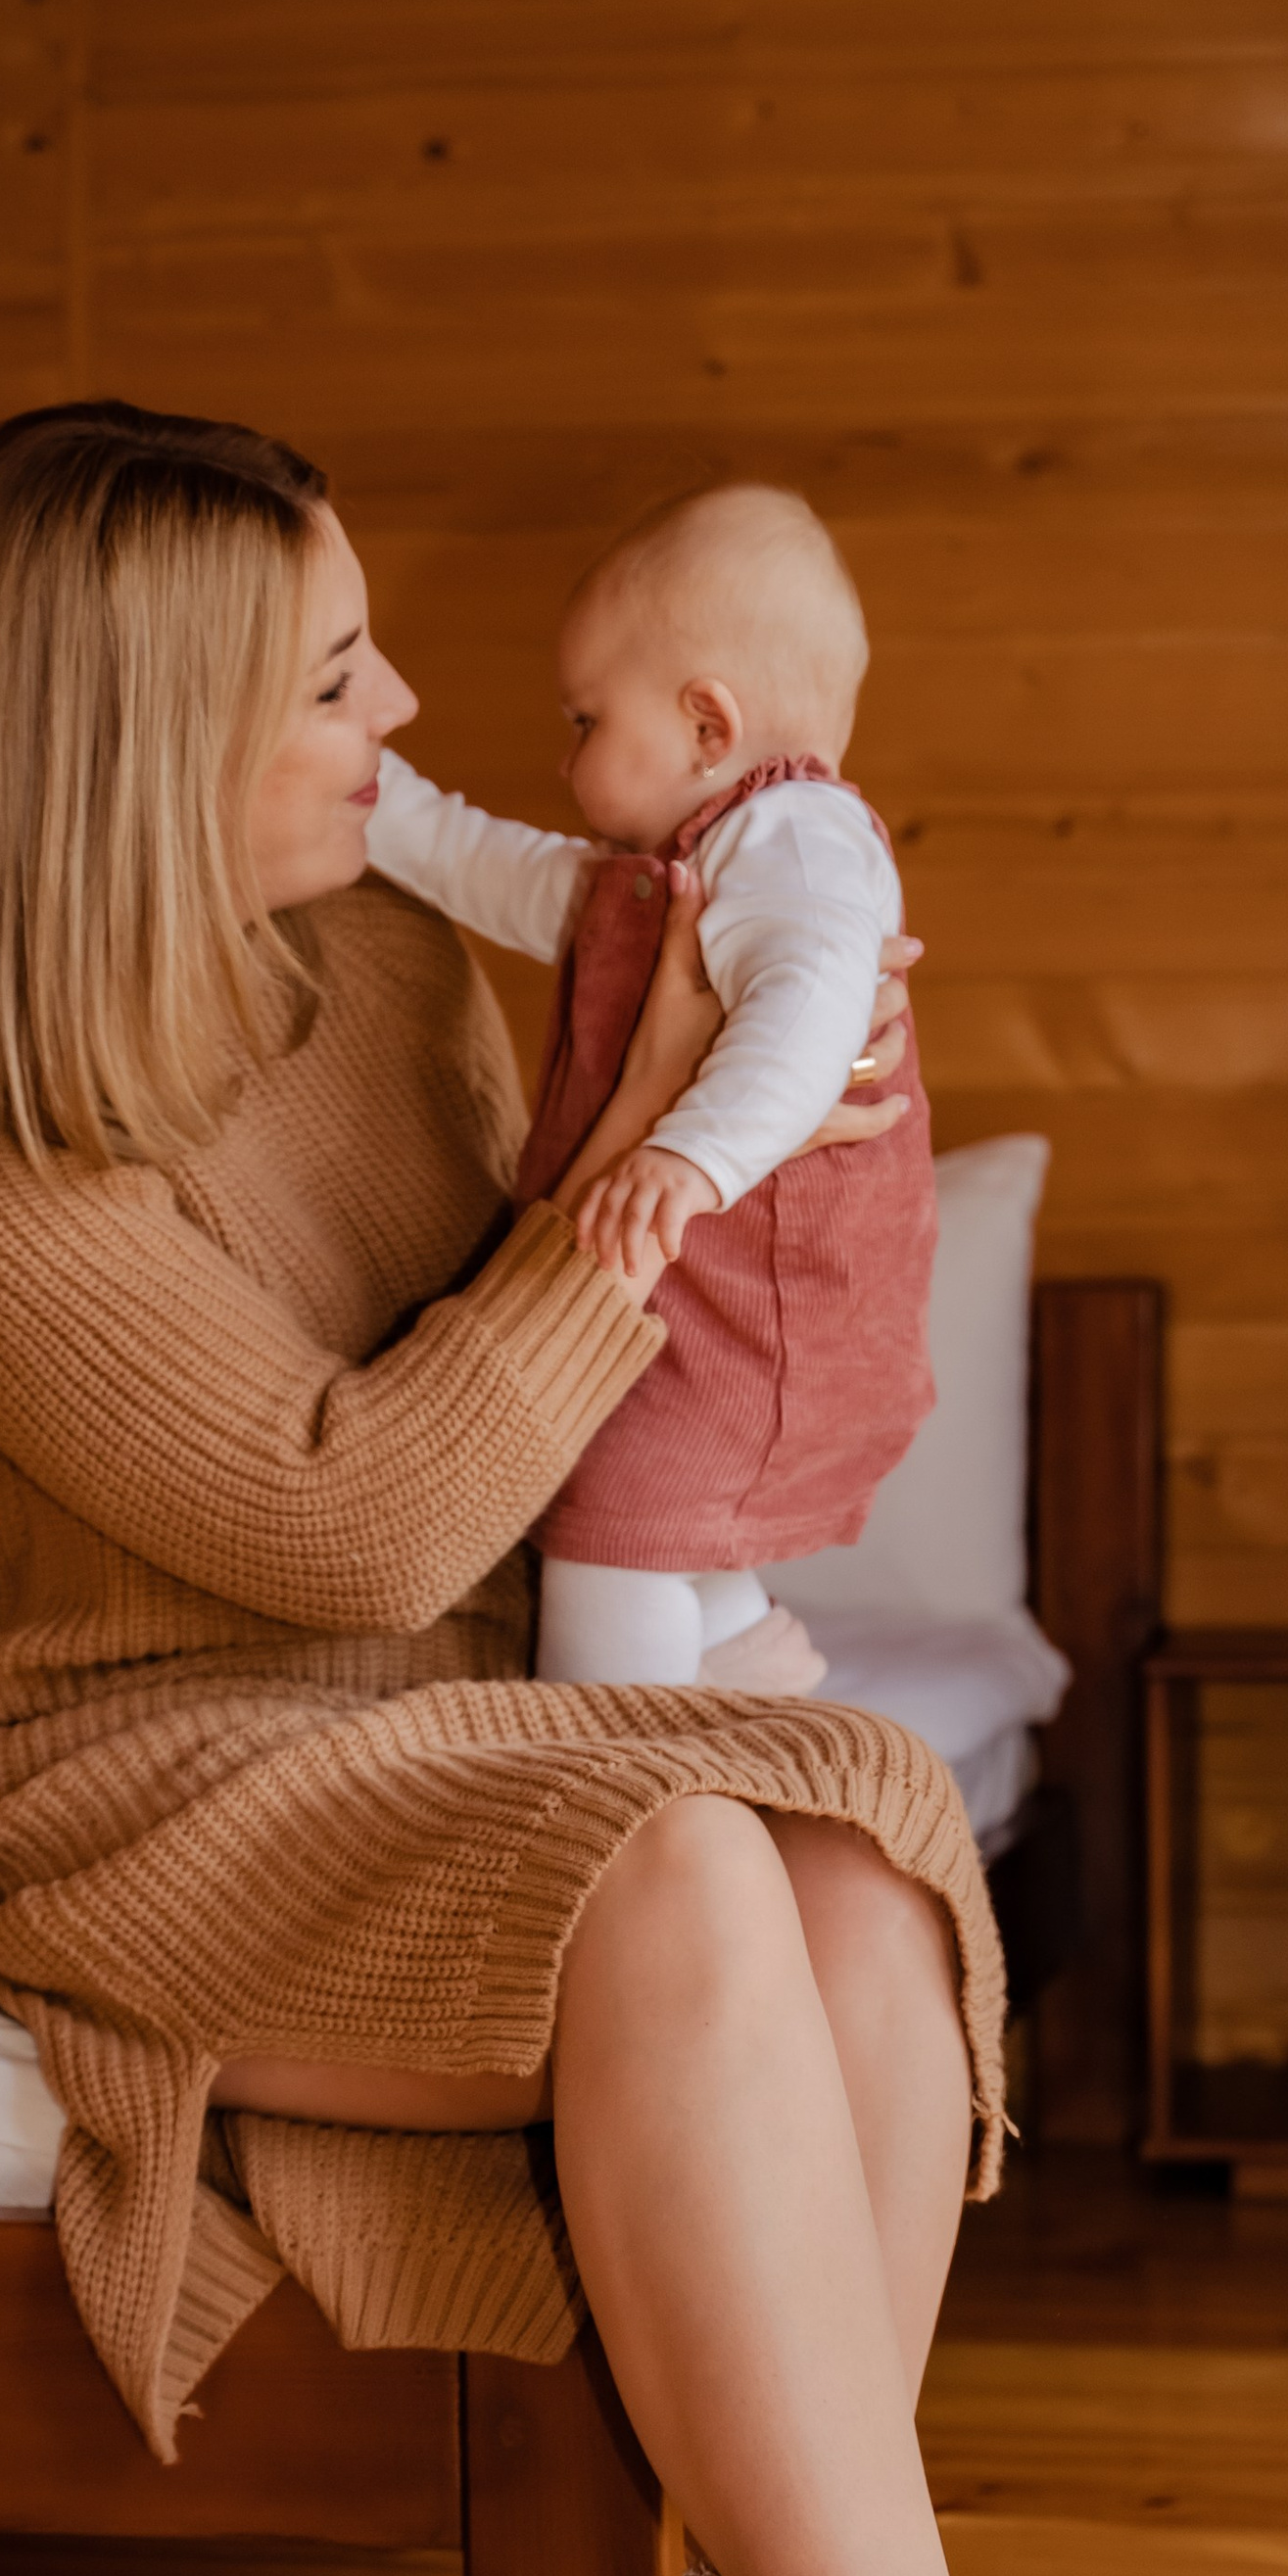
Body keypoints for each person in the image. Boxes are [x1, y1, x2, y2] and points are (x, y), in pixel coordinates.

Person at [0, 399, 1178, 2576]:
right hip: (161, 1786)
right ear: (141, 733)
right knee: (673, 1864)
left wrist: (770, 1124)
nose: (407, 711)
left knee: (862, 1831)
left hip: (470, 1729)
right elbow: (359, 1515)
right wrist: (633, 1170)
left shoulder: (398, 970)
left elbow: (606, 1401)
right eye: (334, 670)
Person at [362, 483, 935, 1692]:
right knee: (655, 1519)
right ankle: (737, 1666)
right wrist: (377, 800)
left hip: (745, 1313)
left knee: (608, 1543)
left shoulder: (796, 845)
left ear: (705, 726)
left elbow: (815, 1005)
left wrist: (695, 1156)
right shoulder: (671, 873)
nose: (560, 751)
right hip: (676, 1309)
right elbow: (490, 866)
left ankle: (618, 1756)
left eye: (582, 719)